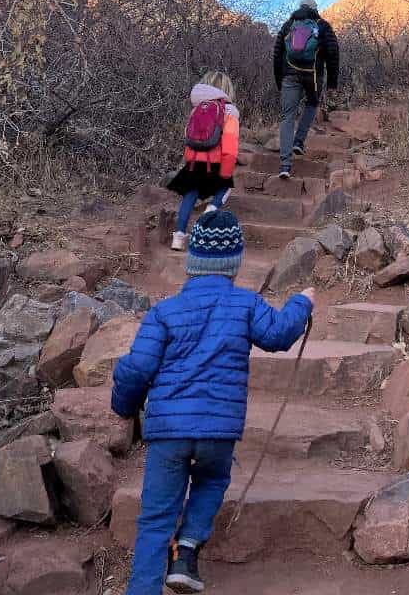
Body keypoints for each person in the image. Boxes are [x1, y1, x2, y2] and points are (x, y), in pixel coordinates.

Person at [111, 207, 315, 595]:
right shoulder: (247, 305)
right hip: (218, 432)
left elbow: (136, 368)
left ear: (191, 264)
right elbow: (279, 334)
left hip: (168, 433)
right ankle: (187, 548)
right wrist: (301, 303)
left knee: (155, 519)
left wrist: (123, 406)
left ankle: (143, 588)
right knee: (214, 477)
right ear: (234, 264)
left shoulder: (164, 312)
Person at [167, 71, 240, 252]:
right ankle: (212, 208)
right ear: (226, 90)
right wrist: (225, 173)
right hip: (215, 162)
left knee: (189, 197)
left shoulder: (196, 109)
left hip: (193, 164)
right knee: (226, 187)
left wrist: (190, 160)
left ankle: (178, 237)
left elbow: (189, 139)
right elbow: (230, 148)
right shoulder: (229, 113)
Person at [272, 0, 339, 180]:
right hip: (313, 76)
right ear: (315, 9)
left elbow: (277, 53)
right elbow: (333, 52)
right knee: (312, 104)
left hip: (289, 76)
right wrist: (332, 82)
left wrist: (280, 80)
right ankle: (299, 141)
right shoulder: (322, 25)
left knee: (287, 117)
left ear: (300, 8)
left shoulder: (289, 25)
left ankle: (285, 164)